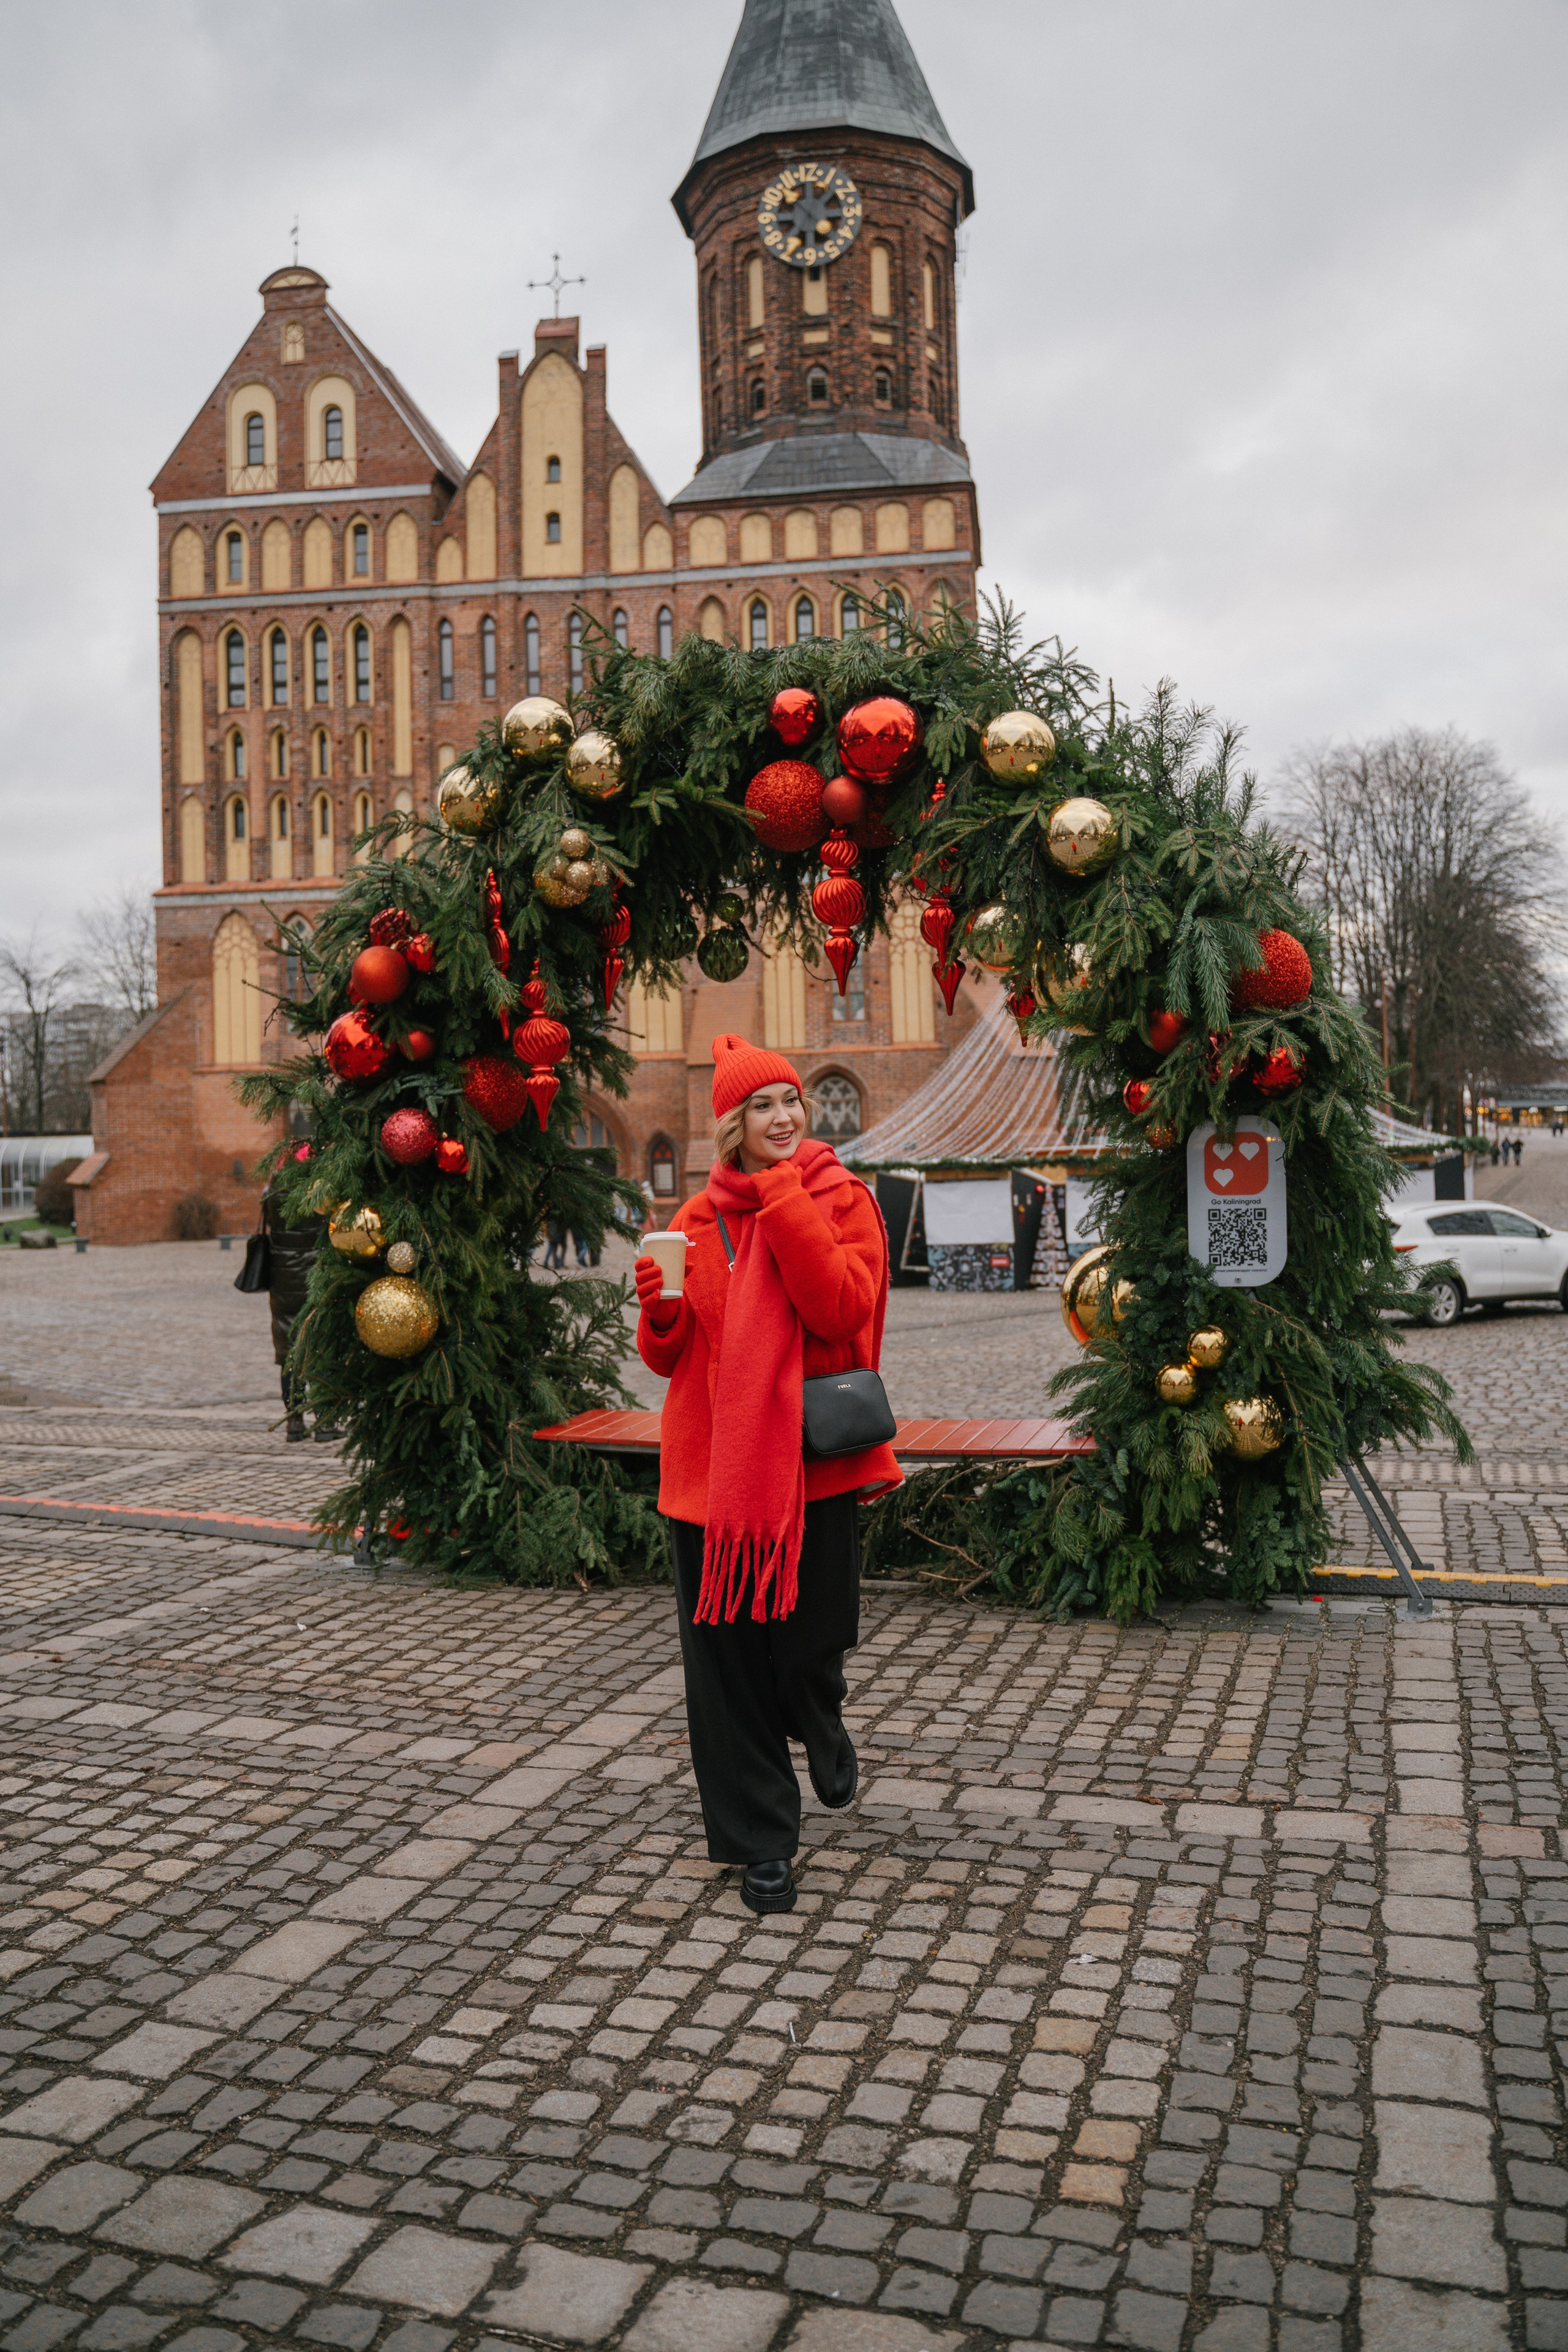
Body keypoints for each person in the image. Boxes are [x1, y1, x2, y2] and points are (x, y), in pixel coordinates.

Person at [633, 1035, 901, 1916]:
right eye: (764, 1107)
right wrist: (661, 1310)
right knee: (729, 1674)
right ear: (732, 1124)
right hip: (710, 1478)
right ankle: (762, 1845)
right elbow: (670, 1358)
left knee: (808, 1647)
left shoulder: (838, 1198)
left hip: (810, 1469)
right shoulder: (695, 1220)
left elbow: (842, 1309)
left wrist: (784, 1201)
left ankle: (820, 1717)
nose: (786, 1117)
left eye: (792, 1101)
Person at [260, 1181, 337, 1442]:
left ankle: (294, 1421)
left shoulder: (272, 1193)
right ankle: (325, 1422)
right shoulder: (319, 1190)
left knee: (288, 1350)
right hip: (316, 1275)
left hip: (282, 1279)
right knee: (322, 1348)